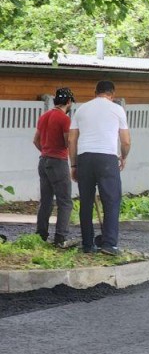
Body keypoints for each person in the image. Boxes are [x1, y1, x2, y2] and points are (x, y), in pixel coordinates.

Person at [69, 80, 131, 255]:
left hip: (85, 158)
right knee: (111, 201)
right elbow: (125, 141)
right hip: (107, 158)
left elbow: (71, 140)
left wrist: (74, 164)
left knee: (86, 202)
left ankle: (88, 244)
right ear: (112, 94)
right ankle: (109, 244)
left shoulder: (81, 110)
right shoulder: (117, 109)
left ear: (94, 92)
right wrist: (123, 156)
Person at [34, 87, 75, 248]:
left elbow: (36, 140)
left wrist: (46, 151)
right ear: (69, 102)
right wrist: (74, 161)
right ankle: (60, 238)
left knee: (46, 201)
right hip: (58, 162)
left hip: (43, 161)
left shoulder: (44, 116)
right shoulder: (64, 119)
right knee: (65, 201)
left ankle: (41, 235)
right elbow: (68, 142)